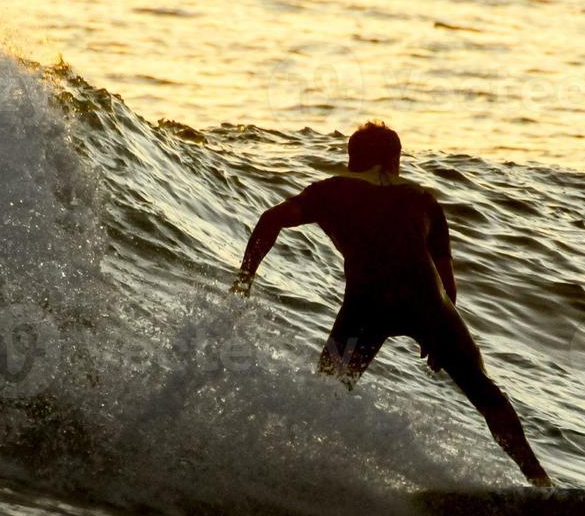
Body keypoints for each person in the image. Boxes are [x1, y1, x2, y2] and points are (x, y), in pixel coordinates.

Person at [231, 122, 553, 486]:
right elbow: (447, 283)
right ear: (396, 160)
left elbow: (270, 219)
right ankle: (539, 480)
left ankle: (301, 476)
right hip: (428, 306)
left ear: (352, 160)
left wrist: (245, 279)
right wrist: (440, 340)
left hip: (366, 307)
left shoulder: (332, 192)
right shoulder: (424, 201)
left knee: (327, 390)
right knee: (482, 389)